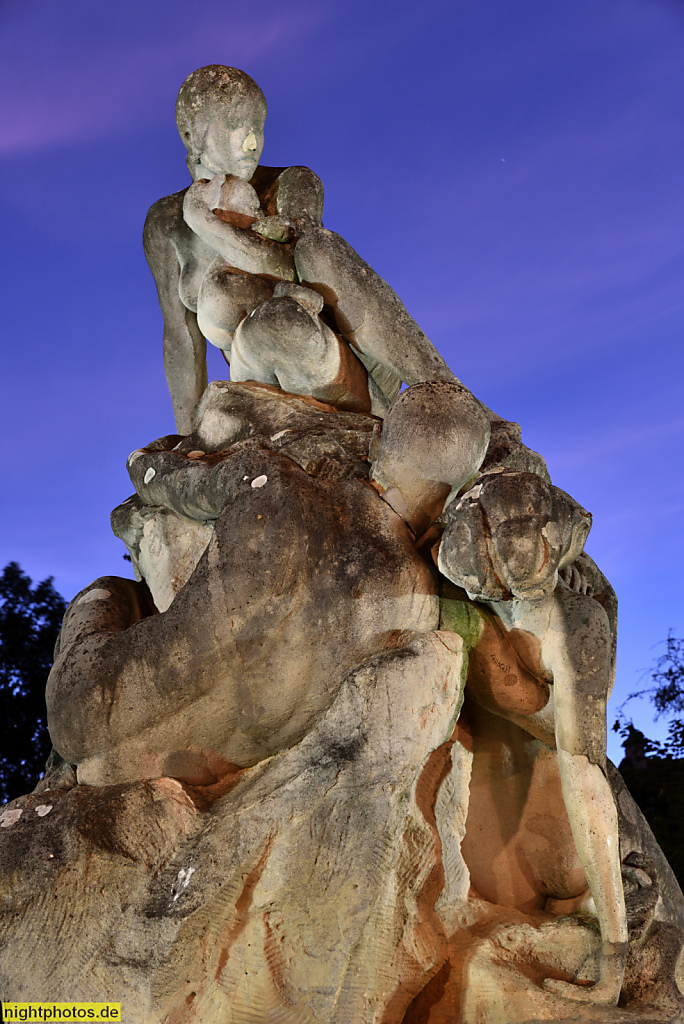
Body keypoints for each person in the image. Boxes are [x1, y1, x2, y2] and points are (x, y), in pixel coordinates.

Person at [144, 65, 457, 433]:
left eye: (257, 126)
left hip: (336, 359)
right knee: (260, 322)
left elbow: (297, 267)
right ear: (191, 134)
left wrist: (206, 223)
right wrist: (188, 438)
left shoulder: (292, 181)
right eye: (234, 124)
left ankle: (446, 393)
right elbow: (181, 337)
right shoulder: (165, 222)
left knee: (315, 252)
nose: (251, 141)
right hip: (256, 373)